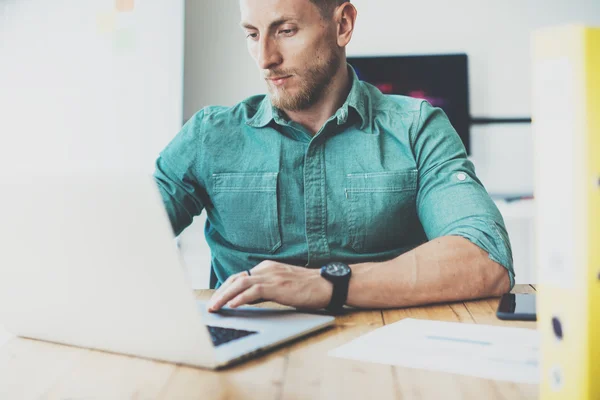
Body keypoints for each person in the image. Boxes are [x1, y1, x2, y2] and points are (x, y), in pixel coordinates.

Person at [153, 0, 514, 314]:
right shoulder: (210, 136)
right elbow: (119, 241)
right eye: (252, 34)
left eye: (286, 30)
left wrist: (329, 285)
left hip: (386, 349)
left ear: (343, 25)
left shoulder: (417, 127)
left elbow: (486, 257)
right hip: (243, 359)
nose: (266, 59)